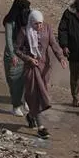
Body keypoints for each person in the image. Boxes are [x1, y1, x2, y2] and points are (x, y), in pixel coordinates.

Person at [15, 10, 66, 139]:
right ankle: (41, 127)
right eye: (36, 24)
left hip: (45, 67)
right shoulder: (24, 31)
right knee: (36, 95)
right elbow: (17, 49)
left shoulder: (47, 28)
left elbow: (54, 44)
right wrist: (28, 59)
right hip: (31, 67)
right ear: (31, 22)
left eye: (41, 23)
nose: (39, 26)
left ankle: (31, 116)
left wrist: (61, 58)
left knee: (43, 93)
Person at [2, 0, 31, 116]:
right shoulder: (10, 21)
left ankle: (24, 100)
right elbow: (9, 39)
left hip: (24, 53)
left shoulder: (26, 19)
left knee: (25, 79)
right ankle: (16, 105)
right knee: (14, 80)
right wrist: (13, 55)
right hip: (12, 54)